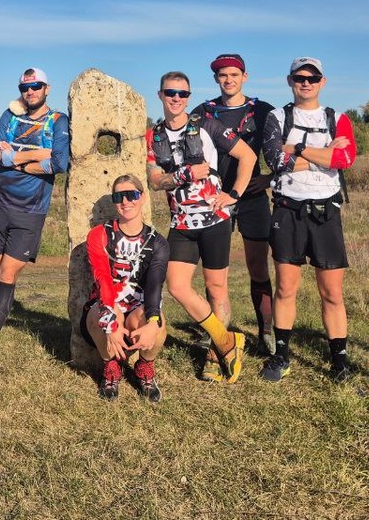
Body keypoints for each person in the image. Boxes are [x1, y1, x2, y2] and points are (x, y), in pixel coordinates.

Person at [146, 71, 258, 383]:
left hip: (215, 220)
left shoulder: (208, 125)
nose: (176, 99)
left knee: (216, 287)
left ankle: (213, 355)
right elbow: (155, 181)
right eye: (170, 93)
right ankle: (226, 341)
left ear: (189, 97)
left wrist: (234, 194)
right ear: (160, 95)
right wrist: (184, 175)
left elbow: (247, 156)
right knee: (177, 287)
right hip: (181, 223)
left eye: (182, 94)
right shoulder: (153, 136)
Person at [0, 67, 71, 378]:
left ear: (47, 88)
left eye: (36, 86)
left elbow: (58, 162)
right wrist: (33, 156)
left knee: (7, 273)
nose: (30, 91)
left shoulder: (58, 121)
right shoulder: (10, 116)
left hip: (30, 211)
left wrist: (15, 157)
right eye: (25, 87)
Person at [260, 57, 357, 383]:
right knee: (286, 287)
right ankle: (281, 356)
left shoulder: (337, 118)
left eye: (312, 78)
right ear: (290, 80)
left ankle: (339, 361)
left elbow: (345, 159)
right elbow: (275, 160)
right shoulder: (277, 117)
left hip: (326, 211)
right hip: (287, 209)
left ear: (322, 82)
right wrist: (324, 154)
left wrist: (296, 148)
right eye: (299, 77)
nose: (306, 83)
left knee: (332, 292)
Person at [197, 53, 277, 355]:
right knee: (215, 271)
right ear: (216, 79)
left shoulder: (263, 111)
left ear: (245, 77)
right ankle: (215, 332)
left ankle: (266, 331)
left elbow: (281, 152)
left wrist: (269, 179)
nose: (228, 80)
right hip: (215, 198)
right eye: (223, 75)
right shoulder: (204, 111)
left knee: (258, 265)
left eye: (234, 74)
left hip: (252, 197)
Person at [83, 175, 170, 402]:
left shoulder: (157, 242)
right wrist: (110, 323)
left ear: (142, 197)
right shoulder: (99, 234)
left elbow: (155, 284)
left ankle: (144, 367)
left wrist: (152, 322)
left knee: (159, 323)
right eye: (119, 196)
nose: (125, 201)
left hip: (137, 308)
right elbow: (102, 277)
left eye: (132, 195)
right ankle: (111, 366)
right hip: (106, 303)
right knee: (100, 317)